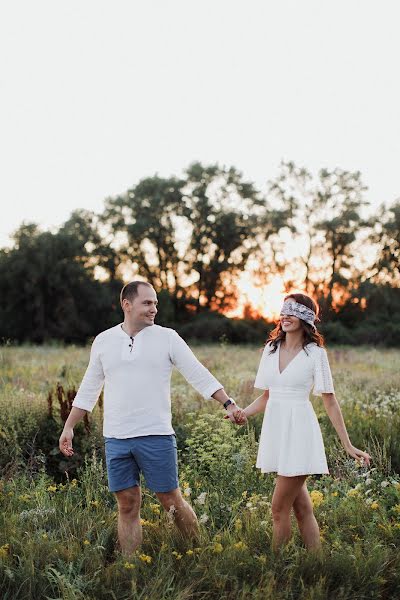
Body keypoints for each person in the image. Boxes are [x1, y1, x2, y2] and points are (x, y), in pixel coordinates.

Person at [59, 280, 241, 556]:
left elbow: (197, 373)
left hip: (155, 434)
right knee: (128, 504)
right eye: (147, 303)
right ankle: (130, 567)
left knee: (170, 500)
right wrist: (69, 426)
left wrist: (227, 402)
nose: (154, 308)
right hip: (117, 437)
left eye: (155, 303)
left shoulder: (167, 337)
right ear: (127, 304)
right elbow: (89, 388)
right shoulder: (104, 341)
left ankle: (201, 553)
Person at [230, 293, 371, 551]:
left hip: (300, 433)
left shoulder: (315, 354)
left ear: (307, 317)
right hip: (277, 431)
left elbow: (329, 400)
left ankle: (276, 568)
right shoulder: (271, 350)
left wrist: (347, 445)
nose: (285, 316)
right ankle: (315, 563)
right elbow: (267, 396)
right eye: (283, 311)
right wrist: (242, 413)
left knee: (277, 509)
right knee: (302, 507)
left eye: (292, 311)